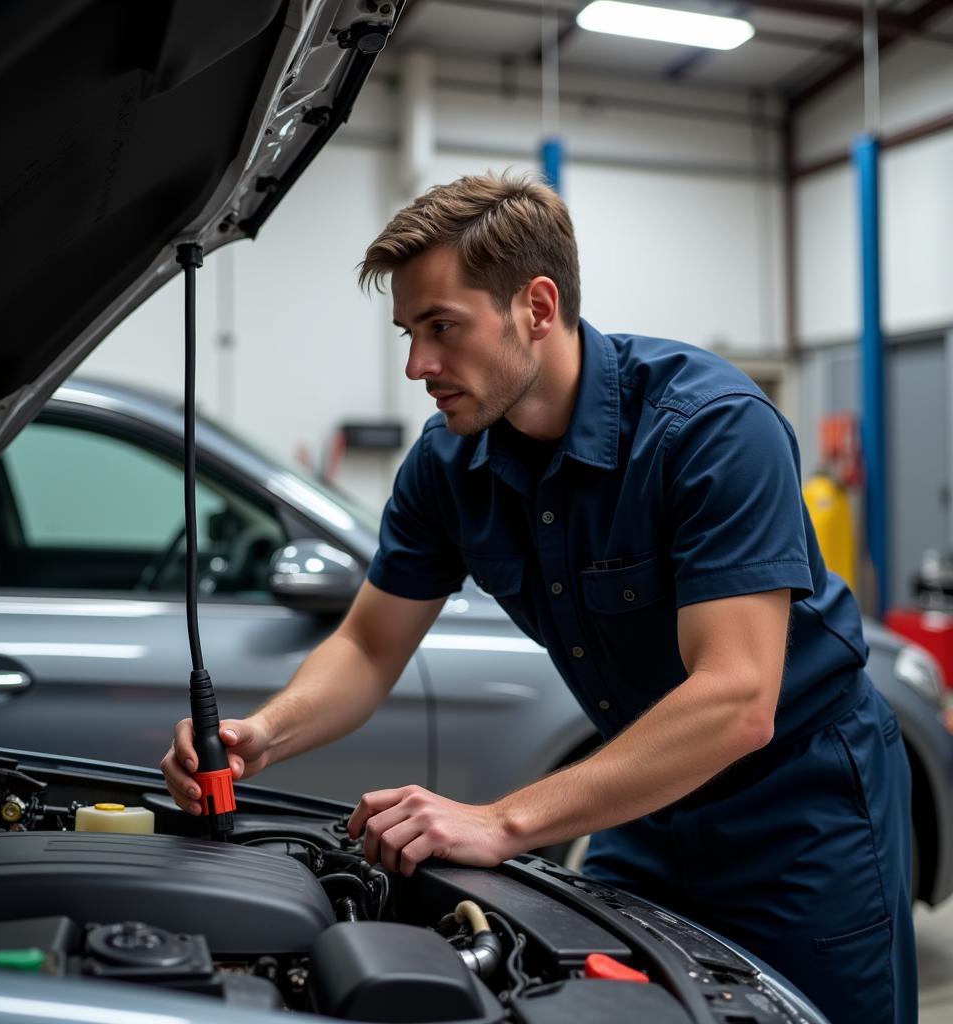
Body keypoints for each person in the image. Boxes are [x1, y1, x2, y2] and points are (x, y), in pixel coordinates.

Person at [161, 173, 915, 1023]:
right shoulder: (447, 467)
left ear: (537, 305)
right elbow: (370, 646)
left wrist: (505, 821)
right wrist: (264, 732)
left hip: (801, 817)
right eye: (410, 332)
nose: (418, 366)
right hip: (645, 799)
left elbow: (738, 699)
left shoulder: (711, 428)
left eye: (442, 327)